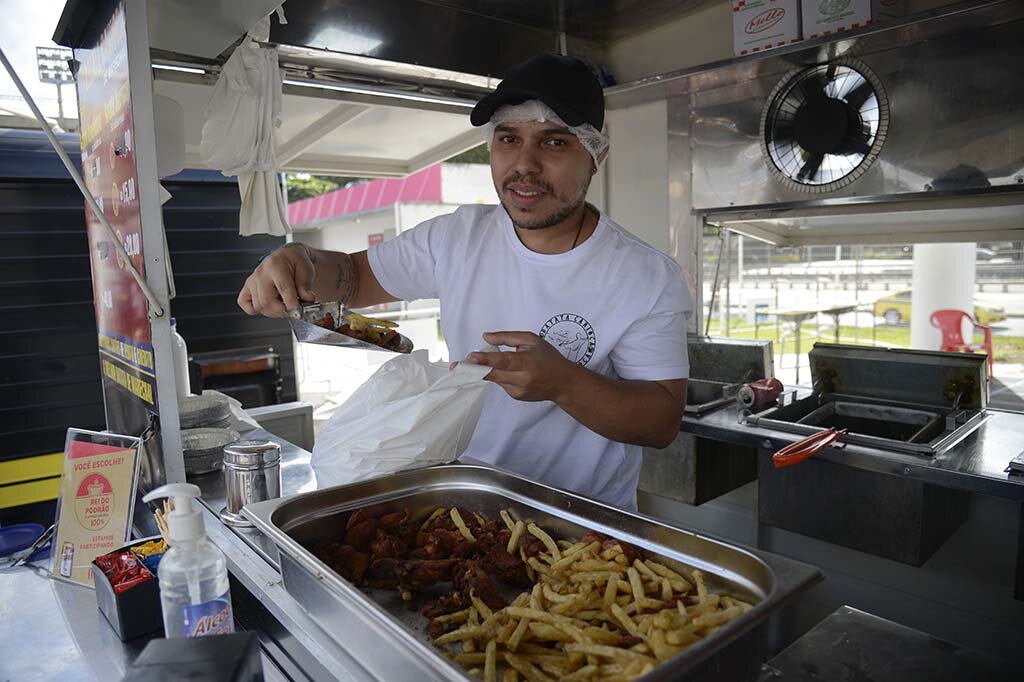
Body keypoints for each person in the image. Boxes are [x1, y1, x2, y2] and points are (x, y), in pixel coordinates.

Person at [238, 53, 692, 508]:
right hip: (466, 505)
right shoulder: (456, 237)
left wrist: (565, 384)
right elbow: (355, 277)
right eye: (508, 138)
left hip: (582, 526)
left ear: (597, 155)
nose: (525, 165)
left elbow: (660, 421)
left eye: (555, 142)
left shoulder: (643, 275)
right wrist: (301, 260)